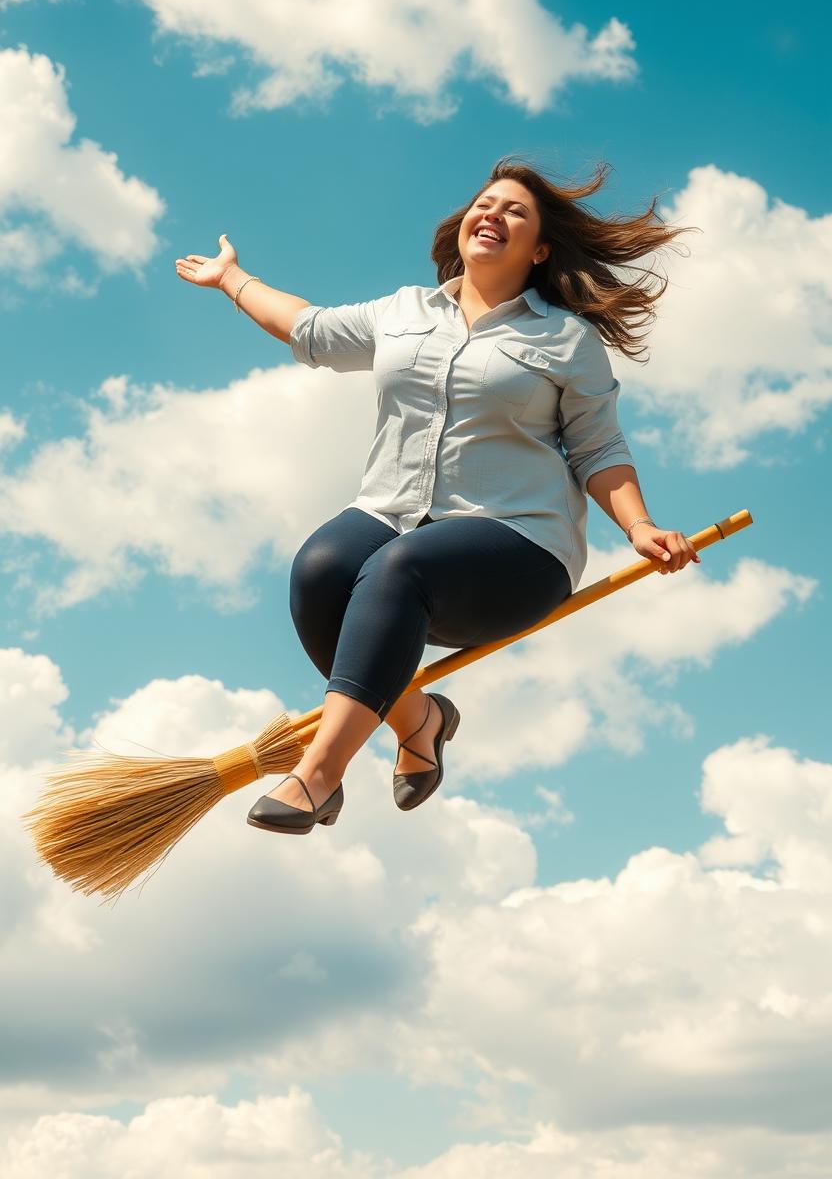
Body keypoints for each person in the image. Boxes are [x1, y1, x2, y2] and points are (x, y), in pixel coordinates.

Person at [174, 155, 701, 835]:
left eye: (515, 211)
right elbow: (307, 327)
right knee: (322, 570)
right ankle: (421, 720)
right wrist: (230, 279)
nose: (494, 214)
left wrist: (639, 525)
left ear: (539, 249)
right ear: (463, 225)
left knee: (399, 568)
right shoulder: (402, 313)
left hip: (516, 545)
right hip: (391, 520)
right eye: (487, 203)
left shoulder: (564, 339)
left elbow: (598, 448)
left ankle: (319, 774)